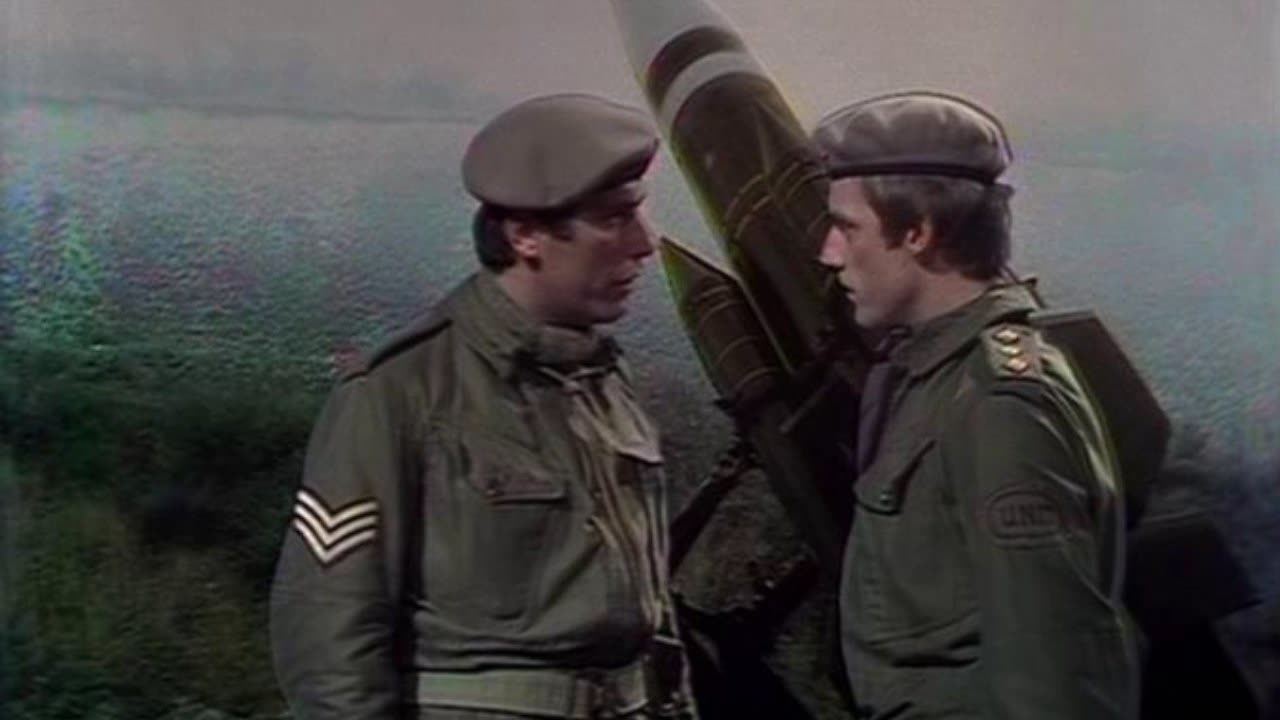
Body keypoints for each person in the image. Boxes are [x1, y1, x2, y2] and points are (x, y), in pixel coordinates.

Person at [269, 93, 696, 720]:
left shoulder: (605, 381)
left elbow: (649, 615)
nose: (645, 243)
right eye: (613, 219)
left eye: (640, 212)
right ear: (525, 235)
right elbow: (329, 636)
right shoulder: (399, 391)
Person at [811, 91, 1141, 719]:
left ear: (918, 231)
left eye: (847, 227)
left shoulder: (1000, 406)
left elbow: (1055, 681)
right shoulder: (930, 376)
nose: (828, 252)